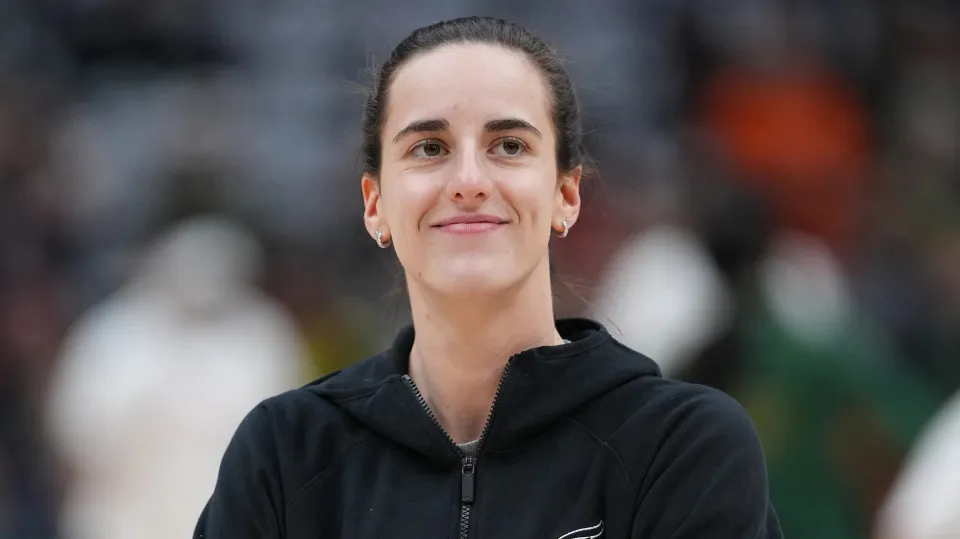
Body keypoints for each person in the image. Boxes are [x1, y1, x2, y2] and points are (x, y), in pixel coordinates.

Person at [194, 16, 782, 539]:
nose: (468, 179)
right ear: (375, 203)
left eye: (508, 144)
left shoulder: (678, 445)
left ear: (566, 195)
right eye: (429, 147)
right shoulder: (285, 451)